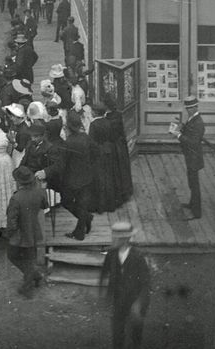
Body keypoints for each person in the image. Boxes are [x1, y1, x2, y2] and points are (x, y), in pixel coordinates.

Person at [100, 221, 150, 349]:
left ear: (124, 239)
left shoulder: (137, 256)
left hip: (135, 298)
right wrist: (106, 296)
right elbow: (105, 274)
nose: (113, 240)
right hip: (118, 298)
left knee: (135, 330)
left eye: (115, 238)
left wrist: (139, 303)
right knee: (117, 331)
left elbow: (145, 282)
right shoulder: (111, 255)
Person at [6, 165, 48, 299]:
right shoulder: (40, 192)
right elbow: (44, 206)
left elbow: (12, 221)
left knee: (13, 255)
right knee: (30, 258)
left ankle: (28, 287)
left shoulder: (16, 198)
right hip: (33, 230)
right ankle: (35, 276)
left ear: (18, 182)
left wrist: (8, 233)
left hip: (20, 234)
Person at [59, 111, 94, 241]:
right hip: (86, 177)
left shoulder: (68, 142)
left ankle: (81, 229)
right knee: (82, 204)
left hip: (72, 179)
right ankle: (85, 219)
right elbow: (95, 152)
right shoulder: (86, 137)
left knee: (67, 202)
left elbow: (63, 163)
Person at [169, 94, 205, 219]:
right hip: (190, 156)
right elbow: (190, 131)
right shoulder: (193, 119)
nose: (188, 111)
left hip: (194, 157)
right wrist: (181, 126)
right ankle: (192, 204)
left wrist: (178, 135)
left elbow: (193, 142)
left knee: (194, 184)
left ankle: (197, 212)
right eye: (187, 108)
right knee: (191, 182)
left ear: (195, 108)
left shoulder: (198, 122)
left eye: (190, 108)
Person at [89, 102, 119, 214]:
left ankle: (99, 205)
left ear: (96, 112)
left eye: (92, 111)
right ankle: (110, 204)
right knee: (109, 177)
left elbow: (91, 142)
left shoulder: (93, 125)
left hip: (98, 153)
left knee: (99, 178)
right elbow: (112, 137)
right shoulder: (108, 122)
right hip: (108, 151)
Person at [103, 92, 133, 203]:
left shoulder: (108, 119)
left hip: (113, 146)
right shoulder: (118, 115)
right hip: (121, 145)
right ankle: (125, 190)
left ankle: (117, 193)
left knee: (115, 170)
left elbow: (109, 135)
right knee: (122, 169)